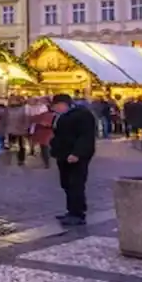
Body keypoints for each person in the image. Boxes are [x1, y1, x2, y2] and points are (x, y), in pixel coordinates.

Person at [50, 93, 97, 226]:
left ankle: (78, 213)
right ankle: (71, 210)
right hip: (63, 154)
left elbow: (86, 136)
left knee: (76, 184)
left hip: (76, 155)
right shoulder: (61, 116)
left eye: (57, 106)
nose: (55, 109)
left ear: (64, 104)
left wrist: (77, 153)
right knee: (66, 183)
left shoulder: (83, 115)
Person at [0, 95, 30, 166]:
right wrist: (2, 128)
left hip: (21, 130)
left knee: (21, 145)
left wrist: (25, 127)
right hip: (10, 129)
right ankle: (10, 159)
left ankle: (21, 160)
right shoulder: (7, 109)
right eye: (11, 100)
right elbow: (4, 119)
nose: (12, 101)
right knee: (11, 146)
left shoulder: (24, 108)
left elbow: (27, 119)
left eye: (13, 100)